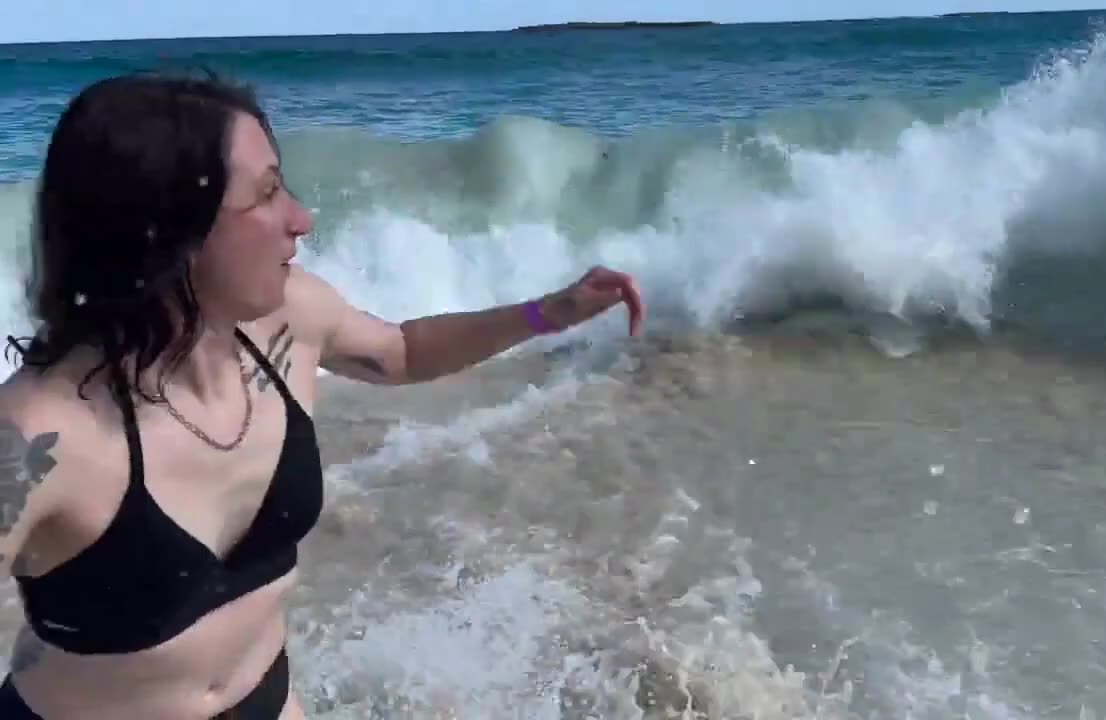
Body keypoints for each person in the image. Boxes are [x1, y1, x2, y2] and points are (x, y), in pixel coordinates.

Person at [0, 72, 643, 719]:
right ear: (169, 230)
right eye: (267, 194)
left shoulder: (289, 320)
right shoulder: (37, 435)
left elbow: (401, 352)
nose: (300, 220)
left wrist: (547, 313)